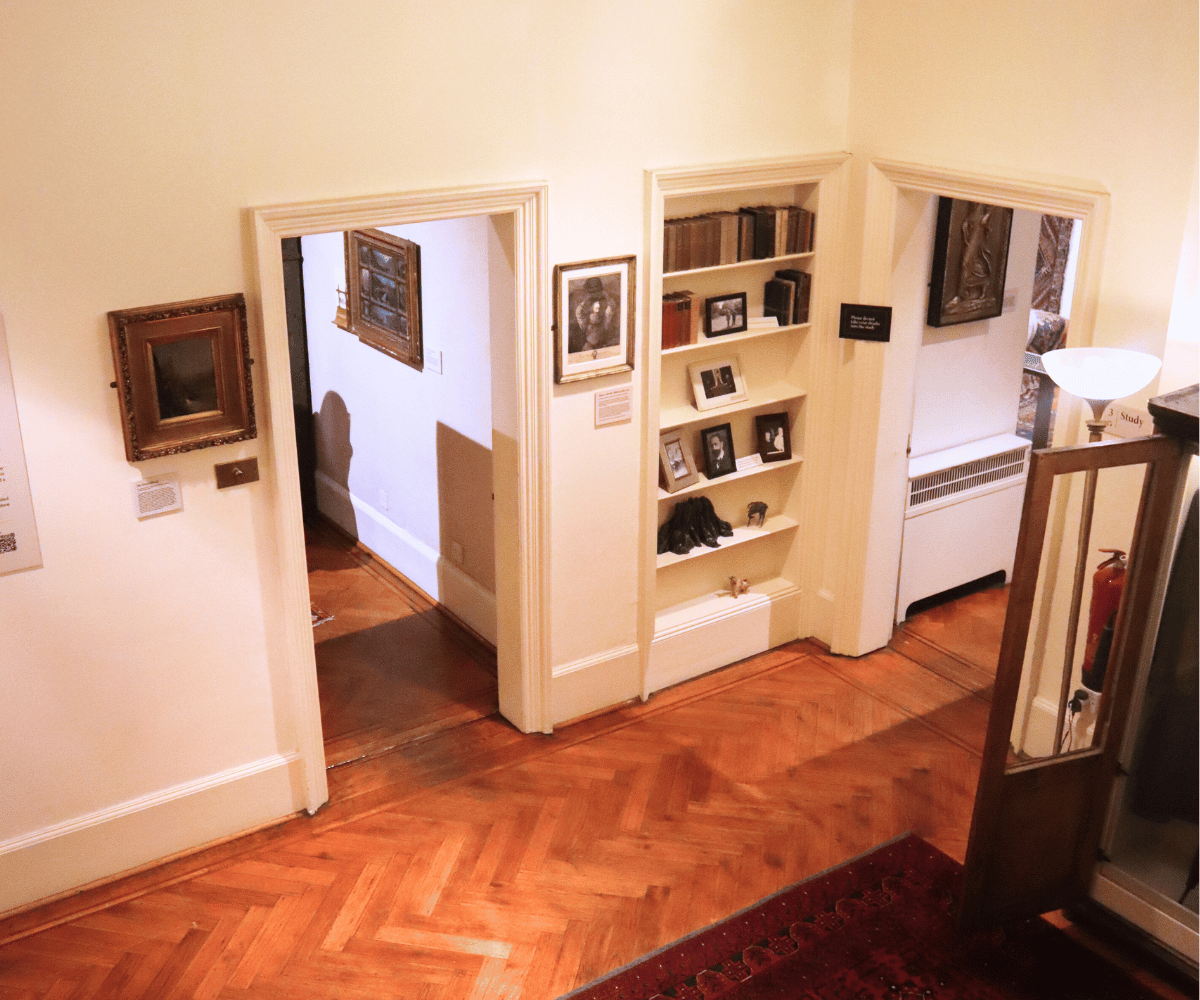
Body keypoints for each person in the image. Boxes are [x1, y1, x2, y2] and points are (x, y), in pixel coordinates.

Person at [567, 276, 619, 355]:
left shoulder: (609, 303)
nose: (594, 294)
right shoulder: (584, 305)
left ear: (601, 290)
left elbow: (608, 323)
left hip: (605, 340)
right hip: (589, 340)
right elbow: (581, 322)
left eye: (597, 291)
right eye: (592, 292)